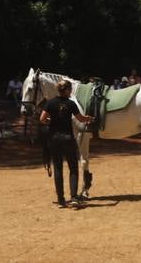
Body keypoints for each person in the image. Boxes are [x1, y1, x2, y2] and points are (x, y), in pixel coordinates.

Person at [39, 78, 93, 208]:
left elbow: (42, 119)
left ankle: (61, 200)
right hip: (68, 139)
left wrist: (50, 122)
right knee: (73, 168)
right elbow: (80, 119)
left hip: (54, 139)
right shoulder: (71, 104)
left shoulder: (50, 103)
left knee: (58, 169)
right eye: (70, 90)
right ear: (67, 90)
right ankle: (74, 197)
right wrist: (89, 118)